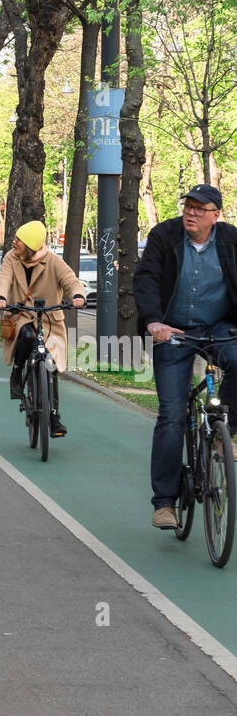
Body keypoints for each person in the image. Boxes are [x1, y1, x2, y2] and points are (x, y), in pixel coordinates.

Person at [133, 183, 237, 531]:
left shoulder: (230, 240)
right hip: (173, 331)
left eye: (200, 208)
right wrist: (153, 321)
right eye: (188, 206)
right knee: (172, 416)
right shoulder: (165, 235)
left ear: (215, 215)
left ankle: (226, 434)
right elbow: (146, 278)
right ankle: (164, 502)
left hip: (220, 327)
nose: (191, 212)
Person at [0, 220, 85, 438]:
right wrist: (0, 297)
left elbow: (71, 281)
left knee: (50, 365)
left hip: (50, 319)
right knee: (26, 334)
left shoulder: (53, 262)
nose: (14, 242)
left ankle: (54, 417)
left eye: (19, 240)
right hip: (21, 314)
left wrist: (78, 295)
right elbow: (4, 279)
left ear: (31, 245)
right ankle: (17, 372)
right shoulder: (11, 258)